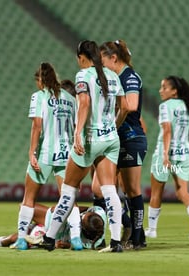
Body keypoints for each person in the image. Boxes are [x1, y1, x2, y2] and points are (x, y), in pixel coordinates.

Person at [37, 40, 127, 253]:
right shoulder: (113, 76)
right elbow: (125, 107)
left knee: (68, 191)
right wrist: (113, 126)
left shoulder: (83, 75)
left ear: (81, 57)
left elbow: (84, 104)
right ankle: (115, 242)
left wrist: (77, 133)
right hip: (111, 139)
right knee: (109, 190)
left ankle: (49, 238)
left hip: (90, 140)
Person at [14, 62, 77, 250]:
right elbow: (75, 128)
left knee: (29, 198)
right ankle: (76, 239)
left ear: (40, 81)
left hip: (45, 153)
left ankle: (21, 239)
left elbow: (37, 126)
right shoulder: (70, 99)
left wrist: (32, 152)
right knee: (68, 198)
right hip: (66, 154)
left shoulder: (39, 97)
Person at [98, 40, 147, 249]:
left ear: (113, 58)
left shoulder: (130, 77)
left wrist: (113, 125)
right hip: (118, 138)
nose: (101, 65)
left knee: (132, 189)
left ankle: (137, 238)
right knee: (104, 188)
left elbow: (131, 105)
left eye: (103, 60)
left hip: (130, 137)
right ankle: (130, 229)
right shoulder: (115, 78)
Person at [146, 76, 189, 239]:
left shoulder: (165, 106)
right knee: (182, 193)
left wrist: (165, 155)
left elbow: (167, 130)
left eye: (164, 87)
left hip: (167, 154)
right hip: (184, 153)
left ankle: (152, 230)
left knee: (156, 193)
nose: (160, 90)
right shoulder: (186, 107)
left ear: (174, 91)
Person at [0, 203, 106, 250]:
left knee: (16, 238)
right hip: (56, 219)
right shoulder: (99, 213)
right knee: (25, 207)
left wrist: (63, 245)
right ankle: (32, 228)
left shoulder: (87, 242)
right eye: (83, 215)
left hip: (56, 233)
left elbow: (63, 244)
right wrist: (66, 210)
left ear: (83, 230)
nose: (81, 216)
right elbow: (82, 208)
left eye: (81, 220)